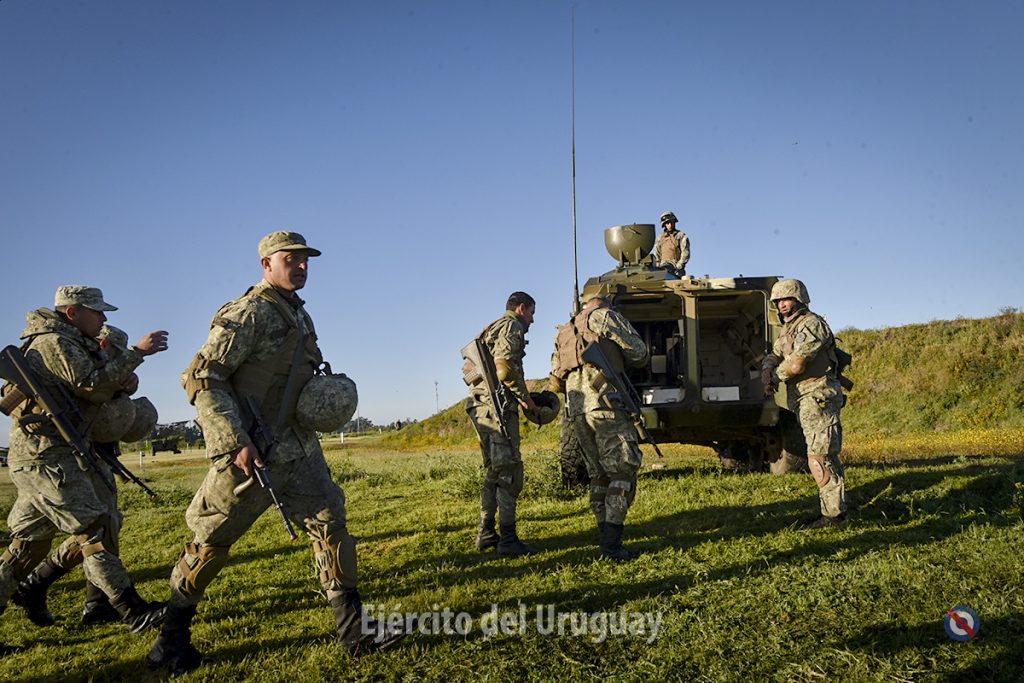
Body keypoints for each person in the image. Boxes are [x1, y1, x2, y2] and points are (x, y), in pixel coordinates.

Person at [147, 231, 403, 675]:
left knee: (330, 526)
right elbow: (203, 378)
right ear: (266, 264)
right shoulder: (248, 312)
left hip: (298, 449)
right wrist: (233, 441)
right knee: (209, 545)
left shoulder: (298, 314)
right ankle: (169, 643)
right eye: (291, 259)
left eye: (305, 260)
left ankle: (354, 631)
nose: (301, 266)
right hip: (252, 454)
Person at [0, 287, 168, 638]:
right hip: (46, 457)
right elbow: (90, 384)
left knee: (28, 545)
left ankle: (41, 591)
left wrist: (124, 381)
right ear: (72, 312)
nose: (103, 318)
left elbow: (95, 389)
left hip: (49, 456)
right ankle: (131, 610)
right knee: (94, 530)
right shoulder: (53, 343)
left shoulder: (71, 342)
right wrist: (137, 353)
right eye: (97, 311)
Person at [549, 294, 648, 560]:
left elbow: (556, 378)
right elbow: (639, 353)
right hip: (606, 403)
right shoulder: (604, 317)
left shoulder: (565, 331)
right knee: (622, 471)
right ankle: (612, 545)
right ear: (605, 306)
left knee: (598, 474)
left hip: (577, 410)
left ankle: (605, 535)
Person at [761, 278, 847, 529]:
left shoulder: (811, 324)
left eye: (786, 299)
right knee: (822, 457)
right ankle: (835, 509)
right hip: (804, 399)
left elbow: (797, 364)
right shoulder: (789, 328)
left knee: (820, 459)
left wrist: (774, 377)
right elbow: (776, 353)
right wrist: (767, 367)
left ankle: (833, 517)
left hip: (817, 397)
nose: (782, 305)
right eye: (778, 301)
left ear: (799, 299)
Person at [465, 292, 538, 556]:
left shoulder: (492, 327)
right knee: (508, 471)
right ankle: (508, 538)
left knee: (494, 471)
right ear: (521, 308)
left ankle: (486, 533)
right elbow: (504, 368)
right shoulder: (511, 326)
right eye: (532, 312)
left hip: (481, 406)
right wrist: (526, 400)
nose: (532, 319)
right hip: (498, 408)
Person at [653, 210, 690, 275]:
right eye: (667, 223)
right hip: (662, 270)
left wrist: (679, 265)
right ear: (664, 225)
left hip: (677, 270)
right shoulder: (660, 238)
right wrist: (657, 268)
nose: (670, 225)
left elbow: (685, 253)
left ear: (674, 222)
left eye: (672, 222)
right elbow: (657, 256)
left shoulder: (680, 236)